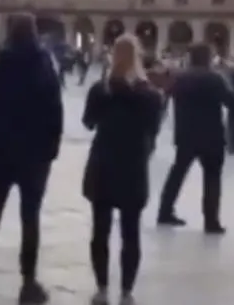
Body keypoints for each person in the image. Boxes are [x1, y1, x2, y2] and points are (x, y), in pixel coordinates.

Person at [0, 14, 63, 304]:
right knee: (30, 218)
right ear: (34, 33)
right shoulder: (44, 67)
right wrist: (50, 151)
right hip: (33, 158)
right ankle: (28, 283)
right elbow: (54, 113)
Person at [81, 34, 162, 304]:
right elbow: (154, 129)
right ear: (138, 56)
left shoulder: (101, 90)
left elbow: (88, 122)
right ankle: (127, 291)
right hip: (133, 165)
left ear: (113, 55)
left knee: (100, 230)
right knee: (131, 232)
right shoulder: (150, 95)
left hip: (103, 163)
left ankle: (102, 288)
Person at [157, 43, 234, 234]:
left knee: (176, 174)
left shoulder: (179, 79)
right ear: (208, 58)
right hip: (211, 137)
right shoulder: (215, 79)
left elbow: (162, 99)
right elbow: (232, 102)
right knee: (212, 179)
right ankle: (211, 221)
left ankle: (165, 212)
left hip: (185, 135)